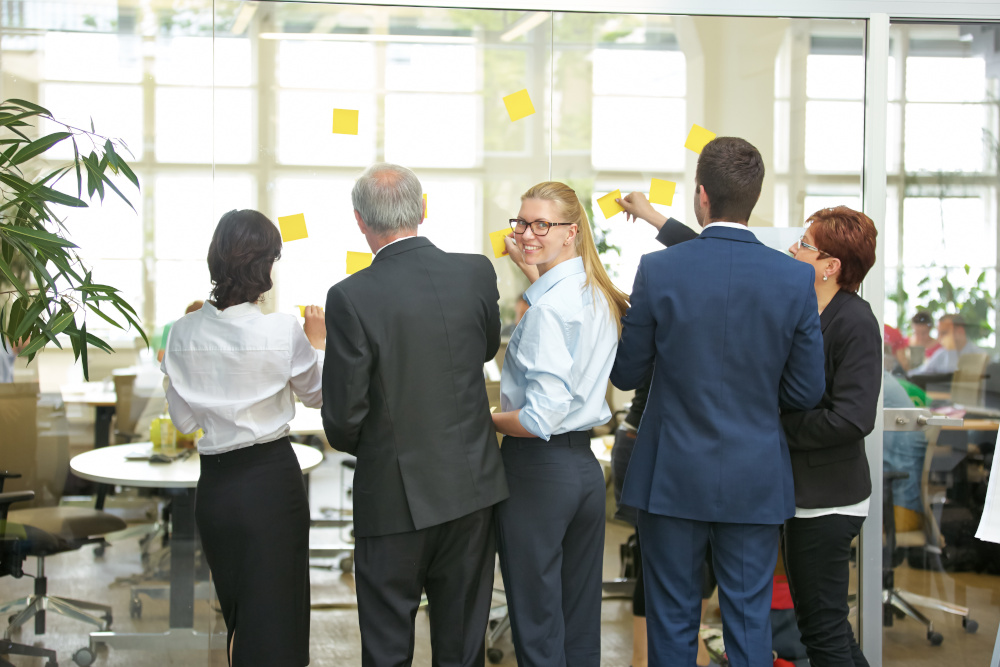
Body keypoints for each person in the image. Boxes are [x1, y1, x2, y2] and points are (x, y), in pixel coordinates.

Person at [611, 136, 826, 667]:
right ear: (754, 196)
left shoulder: (659, 270)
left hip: (671, 475)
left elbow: (626, 373)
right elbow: (805, 392)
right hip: (755, 476)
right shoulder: (794, 277)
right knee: (750, 622)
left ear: (701, 195)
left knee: (671, 620)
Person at [322, 163, 507, 667]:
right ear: (423, 209)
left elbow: (342, 420)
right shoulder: (476, 272)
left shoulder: (350, 296)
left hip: (392, 498)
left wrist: (387, 442)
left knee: (387, 648)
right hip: (471, 490)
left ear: (360, 220)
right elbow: (484, 350)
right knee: (462, 647)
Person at [161, 209, 326, 667]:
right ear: (264, 265)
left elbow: (183, 421)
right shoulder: (282, 329)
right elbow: (319, 396)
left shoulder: (181, 332)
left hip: (215, 490)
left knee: (239, 615)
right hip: (271, 485)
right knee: (276, 621)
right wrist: (318, 343)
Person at [491, 181, 629, 667]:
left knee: (537, 626)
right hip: (583, 473)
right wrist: (530, 267)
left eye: (541, 225)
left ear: (571, 232)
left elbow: (539, 417)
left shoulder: (547, 311)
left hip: (537, 473)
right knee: (578, 623)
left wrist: (486, 420)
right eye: (522, 222)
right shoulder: (596, 294)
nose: (526, 234)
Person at [611, 195, 719, 667]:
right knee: (657, 564)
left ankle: (689, 651)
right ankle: (644, 658)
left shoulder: (694, 290)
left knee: (696, 565)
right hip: (646, 439)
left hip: (679, 443)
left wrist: (652, 215)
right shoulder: (663, 299)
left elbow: (708, 249)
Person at [783, 205, 881, 667]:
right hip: (803, 493)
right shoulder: (805, 310)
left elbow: (852, 418)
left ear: (831, 266)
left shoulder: (854, 320)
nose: (793, 249)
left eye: (804, 245)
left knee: (821, 632)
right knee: (827, 628)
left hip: (829, 499)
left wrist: (776, 428)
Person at [910, 313, 983, 376]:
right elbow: (919, 372)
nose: (939, 338)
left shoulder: (978, 355)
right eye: (939, 334)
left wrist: (952, 350)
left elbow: (954, 379)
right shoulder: (941, 354)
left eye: (944, 333)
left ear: (960, 331)